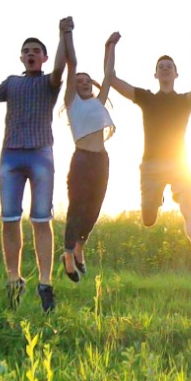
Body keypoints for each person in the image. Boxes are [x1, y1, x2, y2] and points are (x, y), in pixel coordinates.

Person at [102, 35, 191, 298]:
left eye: (170, 66)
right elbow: (111, 79)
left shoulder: (183, 100)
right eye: (161, 67)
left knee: (189, 206)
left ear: (176, 74)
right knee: (148, 219)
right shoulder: (147, 98)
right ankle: (155, 200)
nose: (165, 69)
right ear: (155, 75)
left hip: (180, 163)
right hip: (152, 166)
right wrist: (109, 49)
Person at [0, 17, 72, 312]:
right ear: (21, 57)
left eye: (36, 51)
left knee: (41, 219)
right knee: (10, 219)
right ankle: (13, 280)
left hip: (40, 153)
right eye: (27, 51)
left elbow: (62, 66)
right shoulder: (11, 83)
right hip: (11, 155)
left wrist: (64, 34)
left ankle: (45, 283)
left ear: (44, 58)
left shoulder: (49, 83)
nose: (31, 54)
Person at [60, 33, 118, 283]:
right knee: (77, 208)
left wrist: (109, 47)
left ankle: (80, 245)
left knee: (94, 208)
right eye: (78, 81)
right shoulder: (71, 102)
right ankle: (68, 254)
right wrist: (66, 36)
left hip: (101, 161)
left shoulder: (99, 102)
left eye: (86, 81)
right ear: (72, 86)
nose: (83, 83)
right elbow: (70, 64)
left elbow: (108, 75)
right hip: (82, 160)